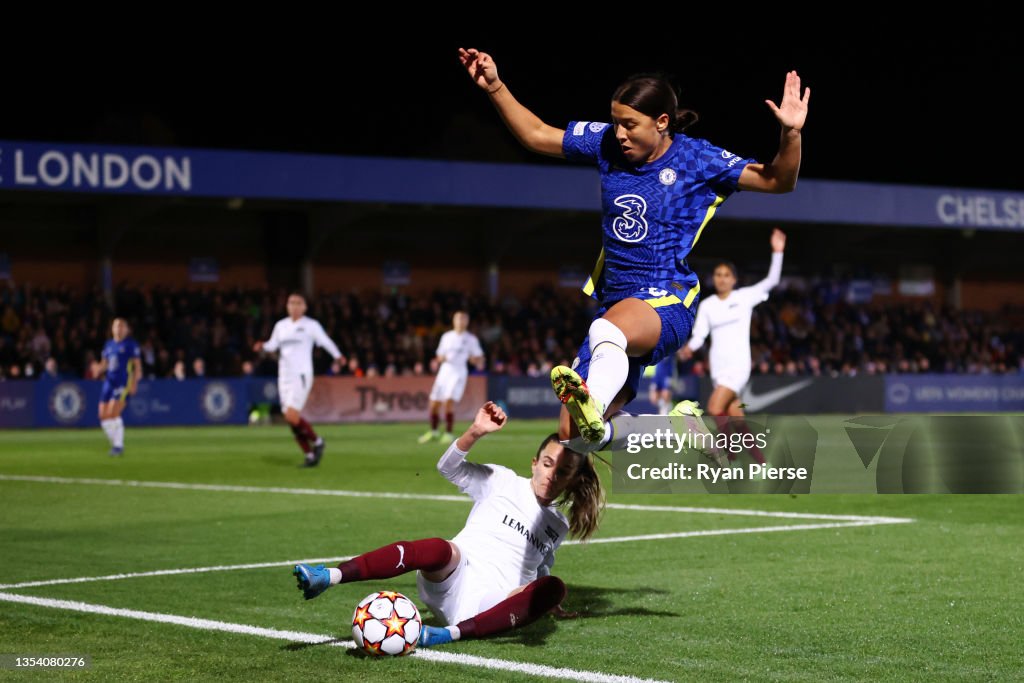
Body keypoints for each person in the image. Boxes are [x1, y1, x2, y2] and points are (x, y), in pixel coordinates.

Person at [458, 48, 809, 446]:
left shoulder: (697, 159)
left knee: (606, 331)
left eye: (629, 124)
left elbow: (778, 180)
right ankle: (673, 433)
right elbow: (537, 135)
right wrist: (496, 86)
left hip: (667, 298)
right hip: (615, 306)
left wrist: (791, 133)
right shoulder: (607, 143)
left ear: (662, 122)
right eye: (615, 122)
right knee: (572, 436)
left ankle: (598, 399)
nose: (620, 133)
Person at [294, 401, 601, 648]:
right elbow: (448, 467)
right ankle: (329, 576)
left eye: (562, 472)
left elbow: (541, 567)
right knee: (442, 549)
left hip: (493, 603)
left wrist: (546, 599)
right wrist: (475, 432)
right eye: (547, 464)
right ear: (534, 463)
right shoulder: (502, 480)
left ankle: (449, 634)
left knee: (555, 586)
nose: (551, 475)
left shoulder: (558, 525)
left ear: (572, 480)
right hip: (454, 576)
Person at [681, 229, 787, 416]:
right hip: (717, 367)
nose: (722, 279)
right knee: (735, 418)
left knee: (714, 408)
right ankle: (748, 447)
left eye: (726, 275)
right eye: (718, 275)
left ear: (734, 279)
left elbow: (772, 280)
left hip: (738, 366)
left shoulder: (744, 297)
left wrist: (778, 252)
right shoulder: (707, 305)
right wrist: (689, 348)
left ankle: (723, 446)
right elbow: (700, 335)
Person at [254, 293, 344, 467]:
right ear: (287, 306)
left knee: (292, 415)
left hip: (301, 375)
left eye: (298, 303)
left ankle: (318, 442)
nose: (294, 306)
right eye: (291, 303)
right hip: (284, 377)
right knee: (290, 418)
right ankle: (309, 455)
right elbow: (272, 345)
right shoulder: (281, 326)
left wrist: (338, 355)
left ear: (305, 307)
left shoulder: (311, 326)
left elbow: (325, 341)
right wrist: (262, 346)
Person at [418, 311, 485, 444]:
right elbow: (439, 355)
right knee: (434, 402)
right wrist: (439, 359)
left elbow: (479, 357)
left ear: (467, 321)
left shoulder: (471, 339)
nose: (460, 321)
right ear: (454, 321)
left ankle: (448, 433)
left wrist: (476, 360)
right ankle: (434, 432)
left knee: (448, 400)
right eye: (458, 319)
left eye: (463, 319)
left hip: (458, 372)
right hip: (444, 371)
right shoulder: (447, 336)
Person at [96, 318, 141, 456]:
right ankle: (116, 443)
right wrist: (97, 369)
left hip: (123, 382)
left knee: (114, 413)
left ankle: (118, 446)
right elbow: (104, 364)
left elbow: (137, 366)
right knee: (103, 415)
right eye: (116, 326)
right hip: (109, 382)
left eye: (122, 326)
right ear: (112, 329)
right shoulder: (109, 345)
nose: (119, 328)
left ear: (127, 330)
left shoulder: (130, 345)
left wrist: (134, 383)